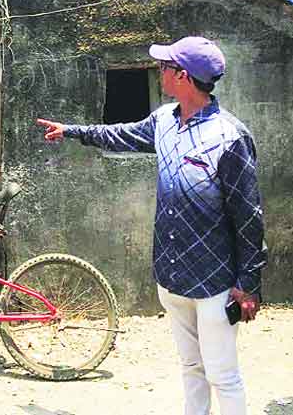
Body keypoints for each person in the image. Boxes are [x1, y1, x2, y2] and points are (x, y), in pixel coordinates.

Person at [37, 36, 267, 415]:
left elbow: (248, 216)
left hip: (215, 281)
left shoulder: (230, 137)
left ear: (182, 76)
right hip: (171, 274)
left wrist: (249, 285)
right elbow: (120, 134)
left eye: (164, 66)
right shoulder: (163, 120)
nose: (158, 71)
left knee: (222, 375)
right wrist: (72, 131)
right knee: (191, 367)